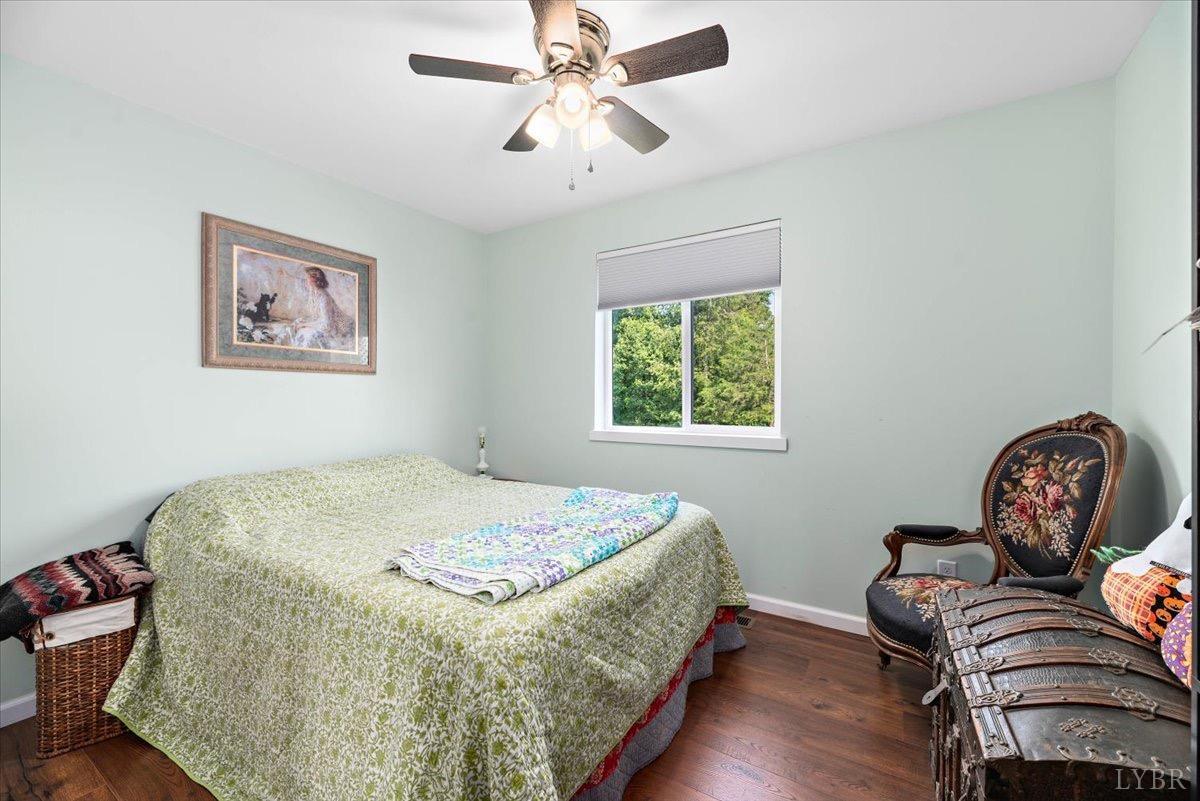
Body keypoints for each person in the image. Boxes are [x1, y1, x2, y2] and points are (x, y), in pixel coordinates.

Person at [292, 267, 354, 349]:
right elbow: (318, 316)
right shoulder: (315, 294)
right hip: (326, 322)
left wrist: (304, 325)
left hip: (339, 329)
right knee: (296, 323)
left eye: (308, 277)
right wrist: (303, 323)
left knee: (307, 335)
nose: (306, 280)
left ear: (314, 279)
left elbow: (327, 324)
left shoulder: (324, 298)